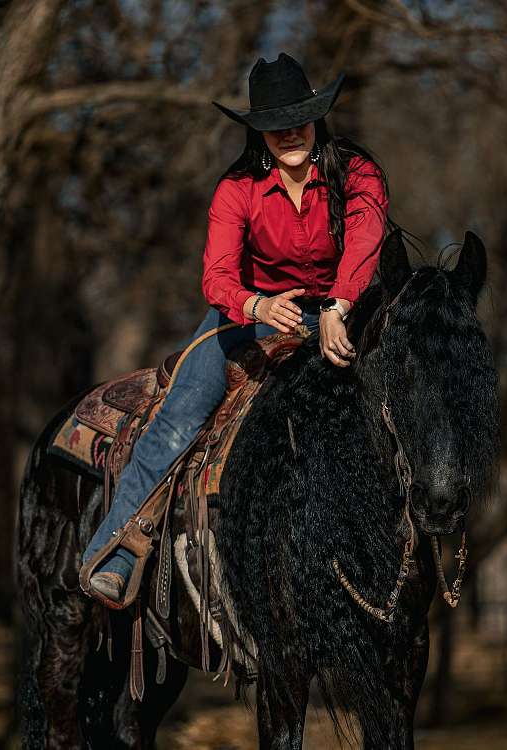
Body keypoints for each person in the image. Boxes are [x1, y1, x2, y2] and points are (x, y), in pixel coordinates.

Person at [80, 52, 390, 606]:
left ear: (317, 117)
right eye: (275, 124)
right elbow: (217, 276)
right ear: (258, 131)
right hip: (245, 316)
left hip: (340, 307)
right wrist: (259, 307)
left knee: (400, 390)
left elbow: (366, 242)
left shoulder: (358, 173)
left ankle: (405, 536)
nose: (289, 133)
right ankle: (118, 552)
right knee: (184, 408)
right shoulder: (236, 190)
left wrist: (339, 308)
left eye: (299, 118)